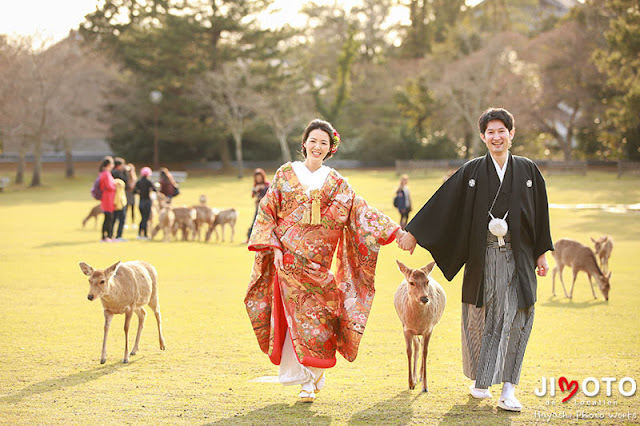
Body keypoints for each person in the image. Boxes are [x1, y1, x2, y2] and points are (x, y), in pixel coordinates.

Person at [397, 108, 553, 412]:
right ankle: (483, 381)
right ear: (483, 136)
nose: (496, 137)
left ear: (511, 133)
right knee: (486, 319)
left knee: (519, 316)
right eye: (490, 132)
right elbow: (444, 203)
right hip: (484, 257)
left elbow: (540, 213)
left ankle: (509, 387)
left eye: (502, 131)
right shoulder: (471, 171)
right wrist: (414, 232)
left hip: (518, 255)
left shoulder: (528, 171)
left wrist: (541, 252)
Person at [245, 119, 405, 403]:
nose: (317, 147)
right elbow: (267, 211)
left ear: (331, 148)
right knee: (296, 321)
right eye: (313, 140)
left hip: (318, 267)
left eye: (324, 142)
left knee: (319, 320)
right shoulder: (285, 174)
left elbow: (360, 210)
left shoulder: (336, 181)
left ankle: (315, 376)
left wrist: (394, 231)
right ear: (303, 143)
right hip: (288, 264)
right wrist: (275, 248)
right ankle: (305, 381)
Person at [245, 168, 270, 243]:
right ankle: (249, 238)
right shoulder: (256, 185)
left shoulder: (267, 184)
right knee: (255, 221)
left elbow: (269, 194)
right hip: (258, 206)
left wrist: (264, 188)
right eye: (257, 177)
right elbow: (253, 195)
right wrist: (256, 189)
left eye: (259, 177)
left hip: (266, 207)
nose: (258, 179)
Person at [134, 167, 156, 239]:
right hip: (147, 202)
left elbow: (134, 191)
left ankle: (140, 233)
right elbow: (155, 189)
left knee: (142, 218)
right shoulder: (149, 181)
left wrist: (140, 192)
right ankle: (145, 234)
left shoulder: (139, 181)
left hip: (140, 202)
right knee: (146, 219)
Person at [98, 156, 116, 242]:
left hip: (108, 197)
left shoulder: (104, 173)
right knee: (108, 217)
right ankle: (106, 236)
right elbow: (109, 186)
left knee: (108, 217)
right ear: (109, 164)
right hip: (108, 198)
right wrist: (116, 186)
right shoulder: (106, 174)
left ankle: (107, 235)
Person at [111, 157, 128, 240]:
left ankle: (110, 235)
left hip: (112, 199)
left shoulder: (110, 173)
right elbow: (126, 181)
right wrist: (125, 172)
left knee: (113, 218)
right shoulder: (119, 174)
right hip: (119, 199)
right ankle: (119, 236)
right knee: (122, 218)